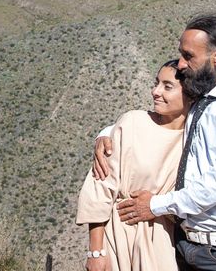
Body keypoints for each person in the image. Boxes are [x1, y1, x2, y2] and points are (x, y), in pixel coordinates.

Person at [94, 15, 216, 270]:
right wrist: (108, 133)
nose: (181, 63)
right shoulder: (204, 92)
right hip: (181, 245)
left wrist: (154, 205)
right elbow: (163, 120)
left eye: (188, 56)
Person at [76, 59, 194, 271]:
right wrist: (96, 252)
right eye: (156, 83)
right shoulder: (132, 122)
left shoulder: (196, 141)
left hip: (162, 242)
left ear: (190, 93)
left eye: (167, 86)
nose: (155, 92)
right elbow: (101, 188)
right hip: (117, 234)